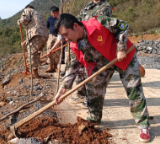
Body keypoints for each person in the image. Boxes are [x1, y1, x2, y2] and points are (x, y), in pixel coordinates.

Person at [54, 13, 150, 143]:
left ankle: (143, 125)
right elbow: (72, 66)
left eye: (66, 34)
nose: (65, 39)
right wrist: (63, 89)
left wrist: (121, 48)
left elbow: (122, 26)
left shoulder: (99, 23)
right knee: (93, 88)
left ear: (75, 26)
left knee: (133, 89)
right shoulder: (74, 45)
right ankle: (94, 117)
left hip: (123, 56)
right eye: (63, 36)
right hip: (102, 64)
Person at [17, 5, 49, 77]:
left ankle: (34, 74)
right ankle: (36, 72)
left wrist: (19, 22)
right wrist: (25, 41)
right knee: (37, 53)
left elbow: (24, 19)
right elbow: (35, 30)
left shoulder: (28, 10)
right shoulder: (38, 15)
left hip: (36, 35)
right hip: (45, 35)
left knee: (32, 54)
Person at [46, 6, 62, 72]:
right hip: (51, 36)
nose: (53, 15)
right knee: (49, 50)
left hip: (59, 36)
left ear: (58, 12)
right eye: (52, 13)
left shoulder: (61, 18)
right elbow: (46, 27)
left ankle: (55, 67)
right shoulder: (49, 18)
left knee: (57, 52)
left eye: (54, 13)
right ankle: (50, 67)